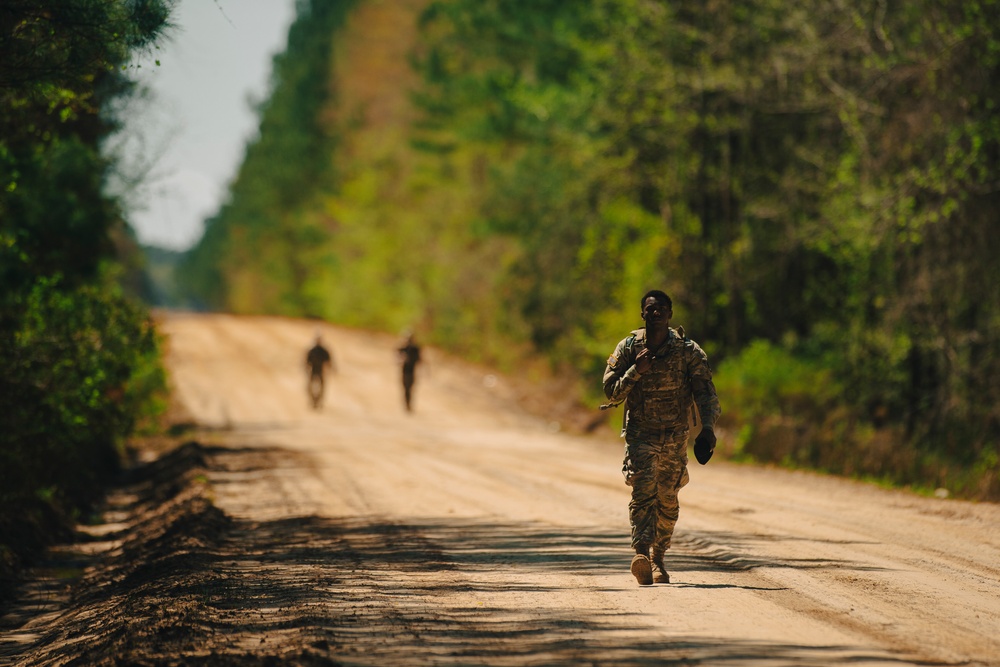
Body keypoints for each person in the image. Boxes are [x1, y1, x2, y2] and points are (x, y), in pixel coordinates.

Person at [602, 290, 721, 586]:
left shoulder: (687, 350)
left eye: (661, 309)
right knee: (643, 493)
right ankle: (641, 554)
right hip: (640, 433)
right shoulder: (629, 347)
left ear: (670, 314)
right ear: (642, 314)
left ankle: (659, 559)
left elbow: (705, 392)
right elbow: (611, 391)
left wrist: (707, 428)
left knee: (668, 500)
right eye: (650, 309)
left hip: (675, 435)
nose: (655, 314)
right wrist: (635, 371)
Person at [306, 334, 334, 409]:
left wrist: (329, 369)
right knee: (309, 387)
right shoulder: (312, 350)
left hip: (321, 370)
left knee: (322, 387)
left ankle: (319, 400)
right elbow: (307, 362)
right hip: (313, 370)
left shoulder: (324, 351)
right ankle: (313, 400)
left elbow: (329, 362)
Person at [397, 331, 422, 412]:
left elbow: (420, 360)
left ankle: (408, 404)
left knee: (410, 388)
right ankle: (407, 404)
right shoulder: (403, 349)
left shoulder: (415, 349)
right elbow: (397, 358)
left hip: (411, 372)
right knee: (406, 389)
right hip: (405, 372)